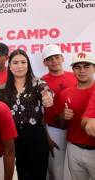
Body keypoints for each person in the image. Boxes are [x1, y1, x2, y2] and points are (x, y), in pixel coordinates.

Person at [0, 49, 53, 180]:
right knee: (18, 175)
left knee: (37, 175)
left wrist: (48, 98)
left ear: (28, 65)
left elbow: (47, 94)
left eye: (23, 62)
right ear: (9, 66)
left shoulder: (39, 84)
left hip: (35, 136)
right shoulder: (2, 89)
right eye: (15, 63)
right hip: (12, 138)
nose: (20, 66)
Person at [56, 52, 95, 180]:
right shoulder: (65, 94)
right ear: (72, 69)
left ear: (94, 68)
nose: (82, 70)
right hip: (74, 148)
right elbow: (60, 125)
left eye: (86, 66)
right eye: (77, 67)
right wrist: (62, 116)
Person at [41, 44, 77, 180]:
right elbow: (40, 113)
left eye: (57, 57)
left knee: (73, 170)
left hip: (75, 128)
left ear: (62, 58)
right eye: (50, 59)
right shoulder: (41, 81)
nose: (54, 61)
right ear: (44, 62)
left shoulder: (75, 76)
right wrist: (47, 137)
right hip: (54, 130)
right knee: (56, 171)